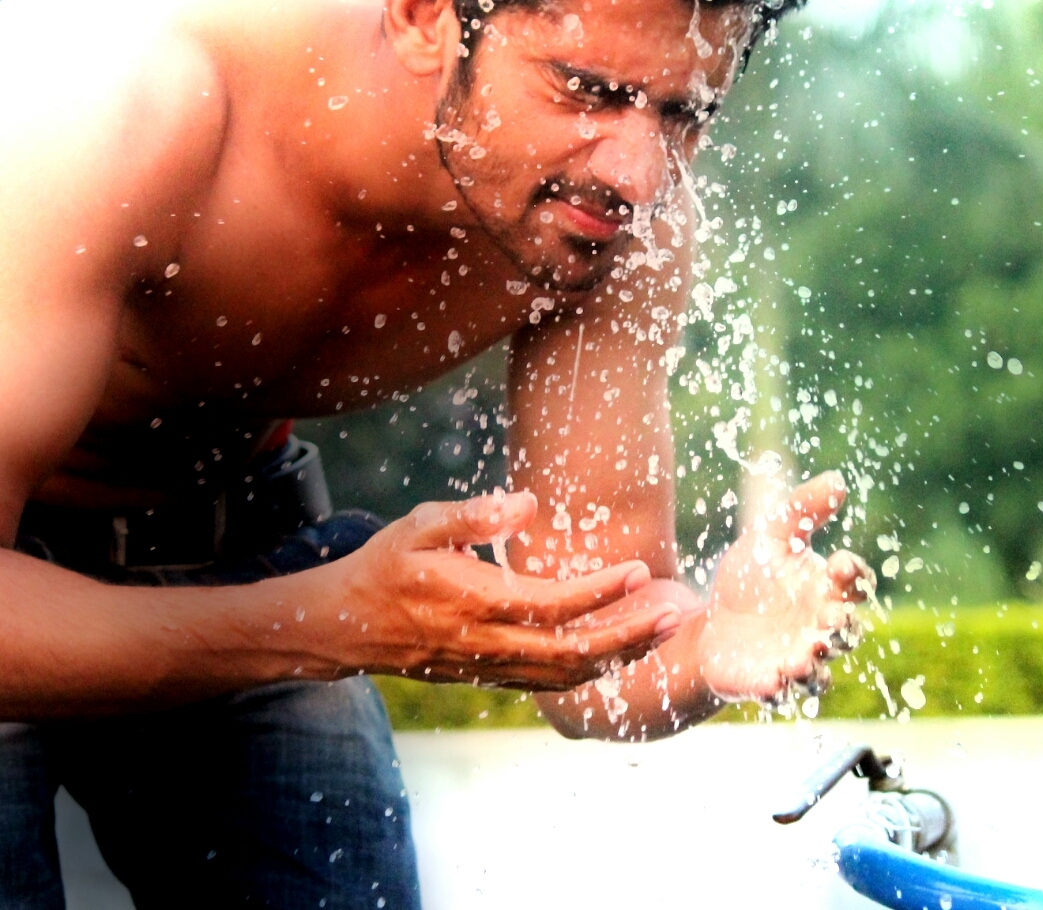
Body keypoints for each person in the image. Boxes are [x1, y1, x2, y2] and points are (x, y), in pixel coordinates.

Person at [0, 0, 872, 906]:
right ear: (425, 16)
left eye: (685, 112)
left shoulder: (619, 223)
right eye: (585, 90)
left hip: (247, 543)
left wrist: (706, 650)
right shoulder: (129, 110)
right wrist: (323, 623)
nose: (637, 175)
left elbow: (590, 657)